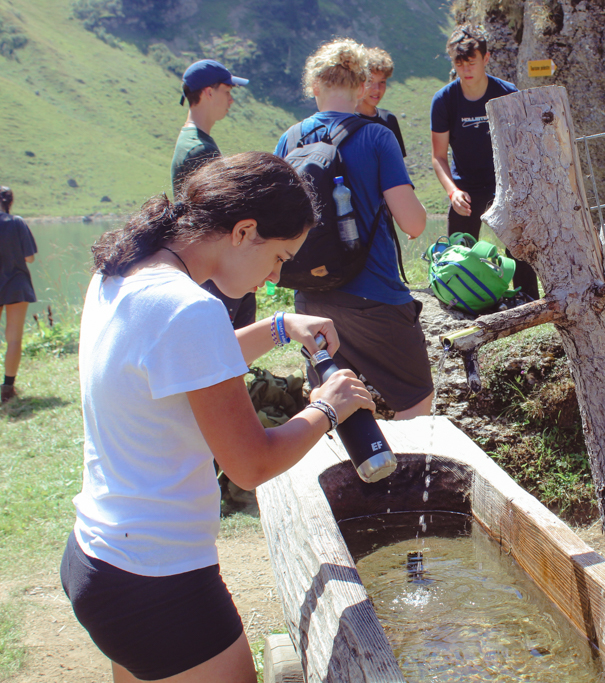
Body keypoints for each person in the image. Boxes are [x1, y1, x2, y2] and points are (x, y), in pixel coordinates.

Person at [60, 152, 375, 683]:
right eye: (278, 257)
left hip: (100, 558)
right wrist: (329, 407)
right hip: (160, 584)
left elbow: (186, 367)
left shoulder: (122, 269)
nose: (275, 277)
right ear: (243, 230)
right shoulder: (188, 308)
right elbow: (250, 464)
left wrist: (277, 327)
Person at [275, 38, 434, 419]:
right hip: (375, 296)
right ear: (362, 86)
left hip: (311, 299)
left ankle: (351, 474)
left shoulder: (290, 138)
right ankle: (402, 477)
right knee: (416, 399)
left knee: (331, 401)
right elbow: (412, 223)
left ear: (314, 87)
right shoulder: (378, 136)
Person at [430, 24, 539, 301]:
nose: (466, 69)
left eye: (471, 62)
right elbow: (438, 157)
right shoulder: (444, 101)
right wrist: (452, 191)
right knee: (460, 250)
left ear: (486, 58)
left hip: (504, 183)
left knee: (519, 246)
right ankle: (463, 300)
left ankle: (526, 299)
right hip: (465, 186)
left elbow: (522, 146)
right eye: (459, 63)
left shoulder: (506, 92)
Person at [171, 58, 257, 329]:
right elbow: (220, 219)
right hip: (214, 269)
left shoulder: (194, 141)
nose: (231, 100)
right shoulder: (200, 150)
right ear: (208, 92)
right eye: (227, 92)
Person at [0, 186, 37, 404]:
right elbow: (30, 258)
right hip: (16, 284)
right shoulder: (16, 222)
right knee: (13, 338)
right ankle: (7, 388)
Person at [356, 47, 406, 158]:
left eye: (382, 82)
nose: (377, 89)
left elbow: (398, 166)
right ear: (358, 82)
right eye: (370, 81)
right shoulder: (347, 120)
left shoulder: (389, 119)